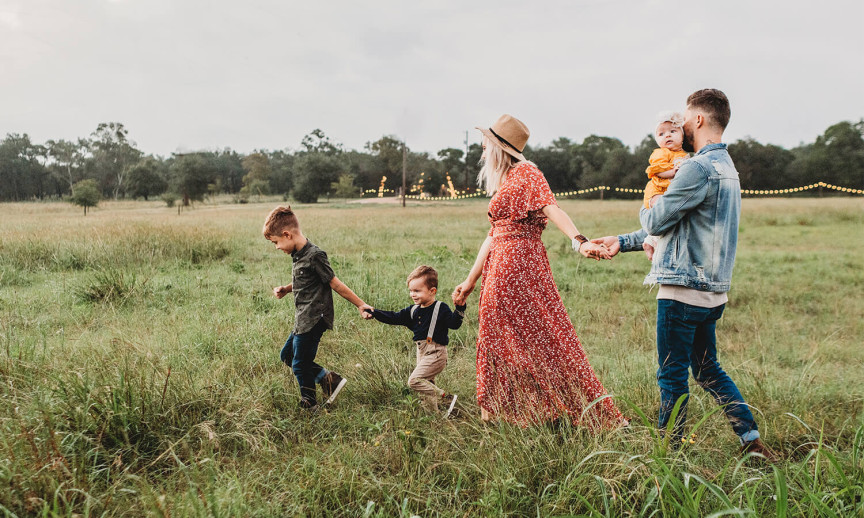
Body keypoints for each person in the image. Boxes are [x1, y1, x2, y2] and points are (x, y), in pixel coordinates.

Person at [592, 89, 778, 460]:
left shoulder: (695, 167)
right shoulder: (727, 168)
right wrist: (624, 241)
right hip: (712, 293)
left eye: (685, 119)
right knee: (708, 370)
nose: (680, 126)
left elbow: (659, 219)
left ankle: (668, 454)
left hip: (682, 291)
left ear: (698, 120)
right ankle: (751, 441)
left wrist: (650, 204)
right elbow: (681, 225)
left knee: (671, 375)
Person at [452, 113, 627, 428]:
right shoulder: (507, 180)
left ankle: (555, 409)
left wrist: (579, 241)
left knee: (543, 336)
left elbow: (552, 207)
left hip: (518, 265)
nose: (481, 151)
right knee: (498, 337)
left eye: (484, 145)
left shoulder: (526, 172)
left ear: (498, 147)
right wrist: (469, 280)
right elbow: (493, 235)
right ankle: (503, 412)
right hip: (501, 265)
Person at [263, 205, 373, 411]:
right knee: (287, 356)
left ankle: (309, 404)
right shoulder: (298, 255)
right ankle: (329, 380)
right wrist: (287, 289)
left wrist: (361, 304)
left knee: (299, 363)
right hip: (302, 318)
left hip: (314, 318)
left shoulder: (315, 255)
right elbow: (304, 281)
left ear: (287, 234)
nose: (277, 247)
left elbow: (334, 283)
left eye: (276, 242)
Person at [367, 265, 464, 417]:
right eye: (411, 290)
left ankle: (446, 398)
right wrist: (374, 313)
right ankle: (434, 416)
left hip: (436, 353)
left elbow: (454, 324)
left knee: (415, 381)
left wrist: (460, 308)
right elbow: (394, 317)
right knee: (427, 387)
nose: (413, 294)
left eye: (417, 291)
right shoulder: (413, 310)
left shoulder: (440, 308)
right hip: (421, 352)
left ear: (432, 291)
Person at [642, 111, 689, 257]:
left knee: (670, 216)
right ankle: (653, 241)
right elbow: (657, 170)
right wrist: (672, 172)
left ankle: (649, 241)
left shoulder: (684, 155)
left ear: (682, 136)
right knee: (663, 211)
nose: (667, 135)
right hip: (656, 191)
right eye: (661, 134)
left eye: (673, 131)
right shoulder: (661, 153)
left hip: (668, 191)